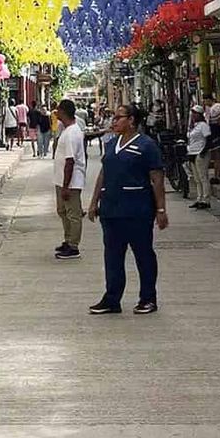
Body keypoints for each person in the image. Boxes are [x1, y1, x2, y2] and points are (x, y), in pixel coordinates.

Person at [87, 102, 168, 314]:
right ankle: (112, 298)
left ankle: (148, 298)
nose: (114, 121)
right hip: (111, 210)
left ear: (131, 120)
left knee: (143, 255)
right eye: (113, 118)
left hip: (137, 210)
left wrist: (161, 209)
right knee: (112, 257)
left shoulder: (146, 145)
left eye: (118, 117)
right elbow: (103, 174)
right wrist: (94, 201)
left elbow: (157, 178)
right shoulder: (112, 144)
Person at [53, 99, 87, 259]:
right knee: (62, 211)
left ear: (64, 112)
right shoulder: (66, 130)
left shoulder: (73, 132)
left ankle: (74, 246)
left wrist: (66, 186)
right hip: (61, 180)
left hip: (71, 181)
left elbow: (70, 161)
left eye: (58, 110)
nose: (56, 112)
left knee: (73, 213)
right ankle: (68, 240)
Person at [186, 104, 211, 209]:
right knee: (196, 179)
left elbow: (208, 140)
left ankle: (206, 200)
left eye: (195, 113)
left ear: (200, 114)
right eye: (193, 113)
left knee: (203, 177)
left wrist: (203, 152)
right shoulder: (193, 126)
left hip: (200, 153)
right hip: (192, 153)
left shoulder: (203, 126)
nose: (193, 115)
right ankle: (199, 198)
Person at [203, 94, 220, 184]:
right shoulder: (208, 109)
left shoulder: (216, 106)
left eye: (206, 100)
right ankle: (216, 176)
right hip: (212, 132)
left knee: (218, 156)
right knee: (215, 156)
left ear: (210, 100)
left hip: (216, 132)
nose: (205, 103)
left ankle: (218, 176)